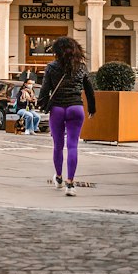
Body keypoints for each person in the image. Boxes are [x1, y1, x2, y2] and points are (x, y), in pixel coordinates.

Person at [36, 36, 96, 195]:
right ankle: (70, 184)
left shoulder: (51, 67)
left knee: (57, 146)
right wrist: (92, 108)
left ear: (57, 51)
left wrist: (42, 104)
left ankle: (59, 178)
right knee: (73, 146)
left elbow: (44, 90)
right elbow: (89, 89)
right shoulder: (81, 67)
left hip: (57, 109)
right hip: (76, 107)